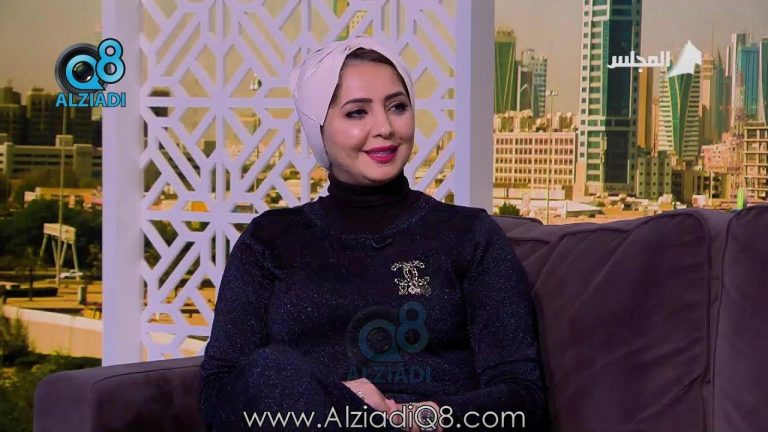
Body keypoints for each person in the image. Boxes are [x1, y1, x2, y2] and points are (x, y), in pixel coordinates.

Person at [199, 36, 548, 431]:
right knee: (270, 371)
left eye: (397, 107)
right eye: (357, 113)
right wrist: (337, 404)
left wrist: (406, 418)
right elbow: (219, 393)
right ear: (318, 129)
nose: (384, 128)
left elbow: (522, 400)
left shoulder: (469, 235)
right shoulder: (270, 240)